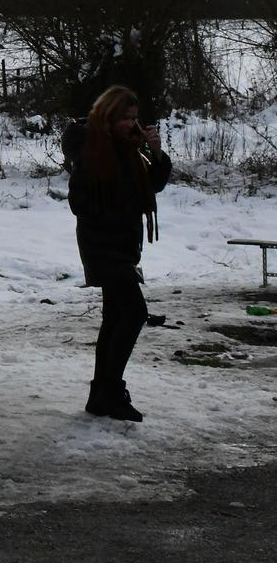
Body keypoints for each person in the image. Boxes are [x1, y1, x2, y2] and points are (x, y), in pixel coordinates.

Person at [61, 85, 172, 421]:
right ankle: (110, 391)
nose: (132, 124)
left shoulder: (127, 149)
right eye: (126, 118)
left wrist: (156, 153)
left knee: (114, 317)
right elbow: (79, 202)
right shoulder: (92, 148)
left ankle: (101, 394)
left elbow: (153, 184)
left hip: (123, 246)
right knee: (134, 313)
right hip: (103, 245)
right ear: (109, 117)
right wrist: (114, 212)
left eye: (135, 117)